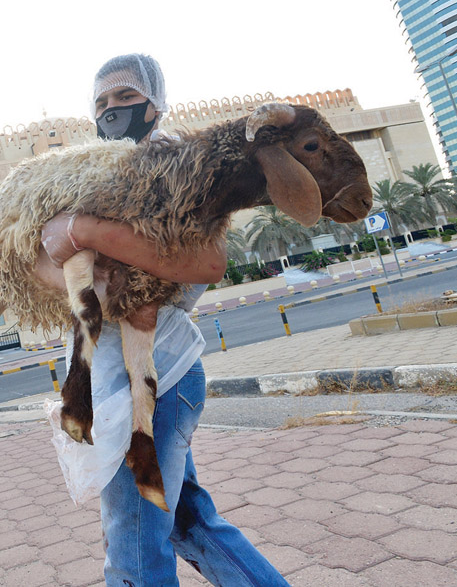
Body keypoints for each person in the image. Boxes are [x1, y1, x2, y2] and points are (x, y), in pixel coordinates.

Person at [37, 54, 288, 586]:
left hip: (154, 385)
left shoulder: (182, 175)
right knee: (190, 522)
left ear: (156, 106)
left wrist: (81, 231)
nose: (111, 110)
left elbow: (208, 262)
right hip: (118, 383)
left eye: (125, 98)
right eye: (101, 102)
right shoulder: (96, 179)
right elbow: (61, 271)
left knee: (132, 544)